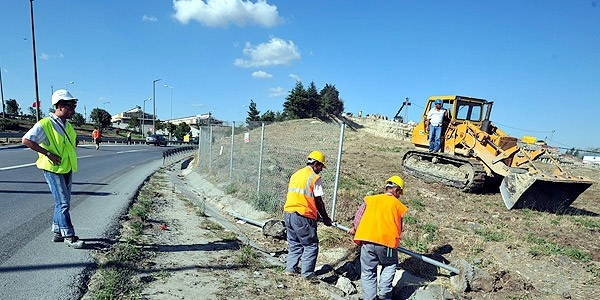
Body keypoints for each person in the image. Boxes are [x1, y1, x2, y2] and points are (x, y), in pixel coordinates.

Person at [22, 89, 85, 248]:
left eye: (74, 106)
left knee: (63, 202)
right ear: (60, 106)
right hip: (52, 168)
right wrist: (48, 153)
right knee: (63, 203)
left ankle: (58, 232)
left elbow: (70, 142)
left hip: (66, 167)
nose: (73, 110)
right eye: (71, 106)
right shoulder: (45, 123)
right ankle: (69, 236)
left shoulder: (67, 125)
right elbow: (27, 140)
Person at [348, 176, 408, 300]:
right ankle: (384, 295)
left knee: (368, 271)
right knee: (390, 265)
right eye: (399, 193)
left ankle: (369, 298)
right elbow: (400, 227)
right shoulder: (398, 205)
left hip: (367, 240)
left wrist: (354, 228)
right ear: (396, 190)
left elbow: (359, 216)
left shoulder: (371, 199)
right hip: (387, 244)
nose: (399, 196)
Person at [283, 150, 333, 280]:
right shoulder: (314, 178)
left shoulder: (296, 175)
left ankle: (290, 269)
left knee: (294, 243)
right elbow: (318, 201)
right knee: (311, 245)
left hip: (288, 213)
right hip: (303, 215)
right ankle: (307, 275)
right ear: (316, 164)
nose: (321, 169)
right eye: (321, 166)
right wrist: (326, 218)